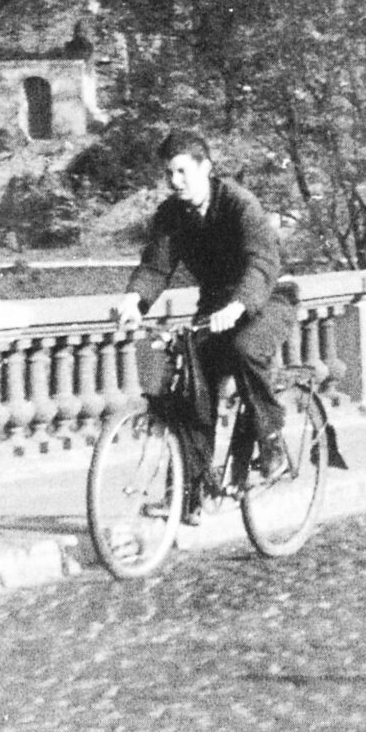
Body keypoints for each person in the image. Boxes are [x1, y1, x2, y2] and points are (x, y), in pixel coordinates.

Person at [116, 130, 297, 516]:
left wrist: (238, 304)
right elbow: (154, 266)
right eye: (169, 174)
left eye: (183, 172)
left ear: (206, 168)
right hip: (216, 305)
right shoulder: (171, 215)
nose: (175, 181)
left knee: (244, 348)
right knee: (192, 387)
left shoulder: (238, 202)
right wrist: (133, 301)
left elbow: (262, 262)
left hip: (269, 296)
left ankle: (272, 442)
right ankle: (187, 494)